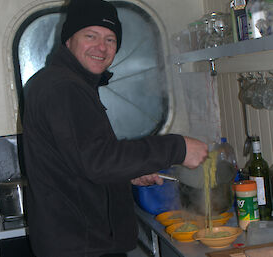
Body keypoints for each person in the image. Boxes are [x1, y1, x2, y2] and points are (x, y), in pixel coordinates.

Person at [22, 0, 208, 256]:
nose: (102, 47)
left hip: (77, 241)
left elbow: (80, 161)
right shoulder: (63, 88)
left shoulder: (68, 83)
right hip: (81, 245)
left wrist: (128, 173)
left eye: (110, 39)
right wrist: (178, 147)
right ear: (68, 40)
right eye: (91, 36)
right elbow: (97, 161)